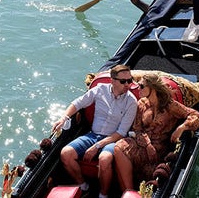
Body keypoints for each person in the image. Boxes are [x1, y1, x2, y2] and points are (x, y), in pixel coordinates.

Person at [53, 65, 138, 198]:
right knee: (66, 154)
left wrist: (97, 146)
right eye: (123, 81)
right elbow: (78, 103)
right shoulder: (99, 90)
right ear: (113, 80)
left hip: (114, 139)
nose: (128, 84)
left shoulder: (132, 101)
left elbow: (121, 132)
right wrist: (64, 118)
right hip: (93, 135)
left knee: (104, 159)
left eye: (130, 80)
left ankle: (103, 194)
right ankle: (83, 186)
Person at [113, 73, 199, 193]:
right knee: (119, 147)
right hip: (143, 143)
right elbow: (136, 129)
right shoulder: (141, 104)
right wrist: (147, 144)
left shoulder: (169, 105)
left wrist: (182, 127)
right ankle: (128, 191)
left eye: (142, 86)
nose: (138, 88)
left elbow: (196, 116)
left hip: (160, 148)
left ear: (152, 88)